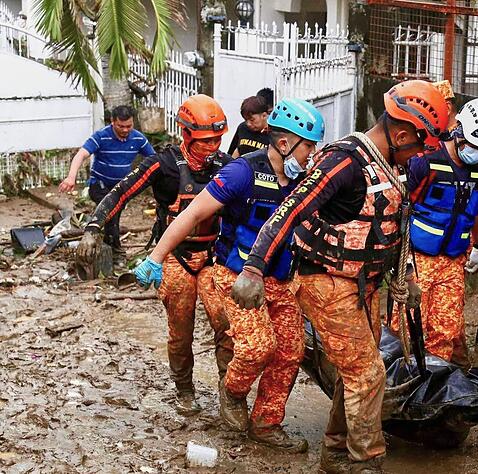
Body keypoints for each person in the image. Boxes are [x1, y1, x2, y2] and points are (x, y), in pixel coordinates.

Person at [231, 80, 449, 473]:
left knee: (357, 369)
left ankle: (334, 452)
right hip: (325, 282)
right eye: (420, 144)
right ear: (401, 134)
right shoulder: (344, 162)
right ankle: (367, 462)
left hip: (362, 284)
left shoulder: (392, 166)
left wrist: (408, 276)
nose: (421, 154)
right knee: (368, 372)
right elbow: (291, 209)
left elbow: (396, 225)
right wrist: (254, 267)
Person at [135, 98, 324, 452]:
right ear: (284, 144)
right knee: (256, 347)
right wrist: (156, 257)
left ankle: (266, 423)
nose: (312, 155)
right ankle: (232, 392)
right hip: (235, 277)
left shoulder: (307, 180)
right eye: (309, 146)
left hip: (281, 281)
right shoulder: (242, 172)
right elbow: (190, 215)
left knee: (290, 351)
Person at [76, 94, 233, 416]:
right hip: (175, 256)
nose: (212, 146)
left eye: (218, 139)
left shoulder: (227, 166)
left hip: (214, 255)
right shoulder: (162, 164)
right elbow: (121, 193)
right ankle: (184, 389)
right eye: (205, 140)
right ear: (186, 133)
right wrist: (93, 228)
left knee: (226, 325)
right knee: (180, 329)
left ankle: (229, 392)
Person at [403, 97, 478, 365]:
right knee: (408, 327)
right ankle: (398, 389)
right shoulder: (423, 163)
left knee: (445, 332)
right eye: (474, 145)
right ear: (459, 130)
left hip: (453, 262)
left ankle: (432, 395)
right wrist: (401, 262)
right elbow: (400, 207)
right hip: (418, 259)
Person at [60, 105, 155, 256]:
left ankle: (104, 242)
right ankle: (116, 251)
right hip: (99, 185)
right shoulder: (101, 136)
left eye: (128, 126)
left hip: (121, 188)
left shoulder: (138, 138)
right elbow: (81, 155)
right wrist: (71, 177)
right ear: (112, 122)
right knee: (112, 212)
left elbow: (154, 159)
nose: (125, 130)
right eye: (121, 126)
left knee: (111, 216)